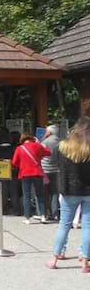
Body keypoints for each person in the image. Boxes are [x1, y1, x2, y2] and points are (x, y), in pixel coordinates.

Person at [46, 117, 90, 272]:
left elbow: (58, 165)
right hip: (89, 192)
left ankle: (55, 259)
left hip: (68, 191)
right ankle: (85, 262)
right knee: (88, 227)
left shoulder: (63, 146)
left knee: (64, 225)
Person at [12, 133, 51, 224]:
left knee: (27, 195)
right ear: (32, 138)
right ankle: (43, 216)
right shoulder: (37, 146)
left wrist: (21, 165)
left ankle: (27, 218)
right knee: (40, 195)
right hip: (37, 173)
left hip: (25, 173)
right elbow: (48, 152)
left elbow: (14, 162)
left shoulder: (19, 148)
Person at [41, 124, 61, 220]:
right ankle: (55, 213)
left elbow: (40, 154)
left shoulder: (45, 142)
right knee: (54, 192)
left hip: (45, 169)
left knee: (44, 192)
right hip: (56, 169)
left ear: (49, 132)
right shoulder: (60, 142)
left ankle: (45, 212)